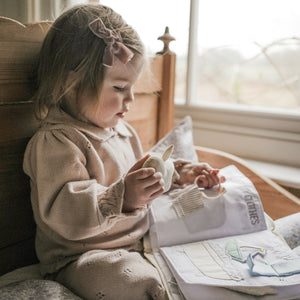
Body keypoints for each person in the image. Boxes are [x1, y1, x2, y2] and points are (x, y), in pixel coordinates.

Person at [23, 4, 224, 300]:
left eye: (131, 87)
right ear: (70, 83)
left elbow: (147, 177)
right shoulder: (57, 141)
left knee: (206, 228)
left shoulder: (123, 132)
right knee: (130, 279)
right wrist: (124, 197)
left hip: (138, 241)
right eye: (119, 87)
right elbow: (65, 213)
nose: (130, 99)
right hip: (80, 257)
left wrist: (178, 174)